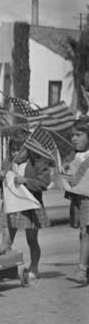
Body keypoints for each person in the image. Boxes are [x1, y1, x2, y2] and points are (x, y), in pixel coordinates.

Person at [0, 131, 51, 281]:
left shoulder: (36, 162)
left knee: (31, 240)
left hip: (29, 207)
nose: (15, 153)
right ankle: (5, 269)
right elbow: (1, 182)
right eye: (13, 150)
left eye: (20, 149)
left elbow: (44, 183)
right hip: (11, 206)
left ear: (29, 149)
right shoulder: (8, 163)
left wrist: (25, 180)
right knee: (6, 240)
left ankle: (34, 267)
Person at [61, 116, 89, 286]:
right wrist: (62, 171)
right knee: (83, 232)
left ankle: (81, 268)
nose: (74, 138)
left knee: (86, 231)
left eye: (79, 135)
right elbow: (69, 178)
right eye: (72, 135)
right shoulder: (73, 157)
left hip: (88, 198)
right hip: (79, 198)